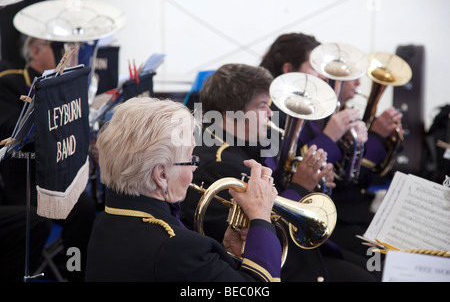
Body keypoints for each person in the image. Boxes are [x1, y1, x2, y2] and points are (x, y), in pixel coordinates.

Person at [180, 63, 377, 282]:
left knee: (372, 268)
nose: (270, 113)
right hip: (280, 267)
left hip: (298, 252)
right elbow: (254, 234)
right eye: (262, 105)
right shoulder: (218, 165)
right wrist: (301, 186)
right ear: (231, 115)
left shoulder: (249, 146)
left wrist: (314, 181)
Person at [85, 97, 282, 282]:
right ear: (161, 175)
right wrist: (261, 216)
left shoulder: (106, 219)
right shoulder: (178, 247)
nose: (194, 169)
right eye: (190, 159)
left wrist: (227, 251)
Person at [260, 32, 403, 270]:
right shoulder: (272, 116)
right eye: (316, 67)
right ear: (288, 69)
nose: (324, 76)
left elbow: (354, 174)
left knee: (391, 260)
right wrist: (331, 136)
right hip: (308, 221)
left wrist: (374, 140)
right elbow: (285, 171)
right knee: (376, 268)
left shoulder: (320, 112)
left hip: (334, 211)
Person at [0, 36, 96, 281]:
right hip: (24, 180)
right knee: (38, 219)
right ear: (35, 50)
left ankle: (73, 270)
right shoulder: (9, 82)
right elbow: (9, 130)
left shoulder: (59, 85)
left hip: (55, 174)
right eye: (56, 48)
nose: (62, 52)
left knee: (84, 207)